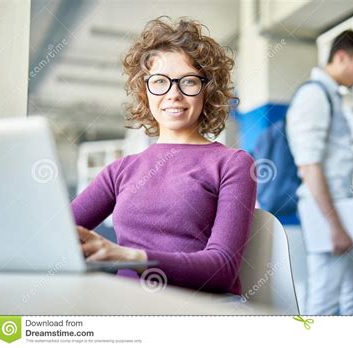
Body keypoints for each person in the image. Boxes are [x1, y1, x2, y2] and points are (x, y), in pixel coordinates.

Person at [70, 17, 257, 295]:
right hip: (126, 309)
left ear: (207, 91)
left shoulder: (233, 164)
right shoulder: (121, 170)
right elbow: (55, 232)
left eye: (188, 82)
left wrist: (130, 256)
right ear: (145, 91)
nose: (174, 94)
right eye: (160, 81)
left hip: (199, 313)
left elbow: (222, 270)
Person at [286, 30, 353, 315]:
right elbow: (309, 166)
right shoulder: (314, 95)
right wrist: (335, 227)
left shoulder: (333, 97)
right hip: (327, 212)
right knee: (324, 303)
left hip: (341, 209)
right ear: (341, 57)